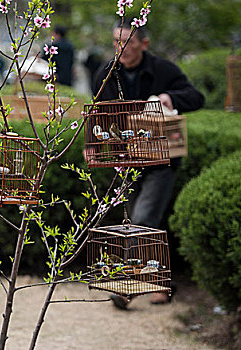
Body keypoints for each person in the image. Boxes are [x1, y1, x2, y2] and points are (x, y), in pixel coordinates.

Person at [92, 19, 204, 309]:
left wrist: (170, 97)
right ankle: (162, 284)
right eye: (117, 42)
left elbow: (196, 97)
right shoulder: (106, 73)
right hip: (124, 161)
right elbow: (98, 114)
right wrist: (95, 144)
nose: (122, 48)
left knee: (142, 220)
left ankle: (126, 286)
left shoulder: (164, 70)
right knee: (142, 223)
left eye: (128, 42)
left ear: (144, 43)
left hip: (161, 161)